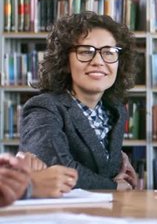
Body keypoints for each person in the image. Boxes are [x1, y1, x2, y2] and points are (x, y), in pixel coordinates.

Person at [20, 11, 139, 190]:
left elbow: (104, 166)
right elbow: (57, 170)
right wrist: (114, 186)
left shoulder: (116, 111)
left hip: (106, 213)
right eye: (86, 52)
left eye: (109, 52)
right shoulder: (44, 108)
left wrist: (120, 167)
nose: (98, 61)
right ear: (65, 62)